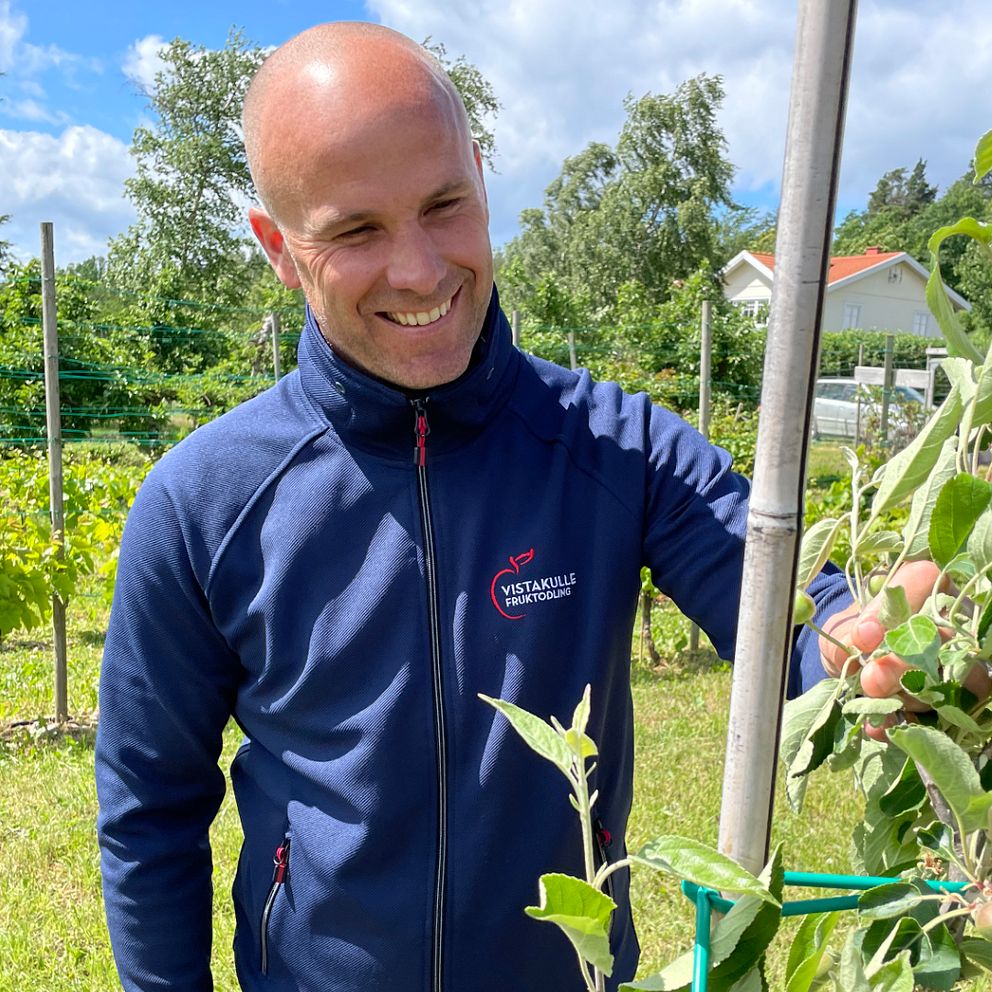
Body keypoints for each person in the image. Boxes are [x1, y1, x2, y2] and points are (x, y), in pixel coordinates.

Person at [94, 22, 932, 992]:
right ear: (279, 248)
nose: (419, 270)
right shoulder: (205, 500)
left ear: (482, 181)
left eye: (443, 204)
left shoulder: (616, 449)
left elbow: (781, 611)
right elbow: (149, 803)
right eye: (355, 231)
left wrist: (864, 644)